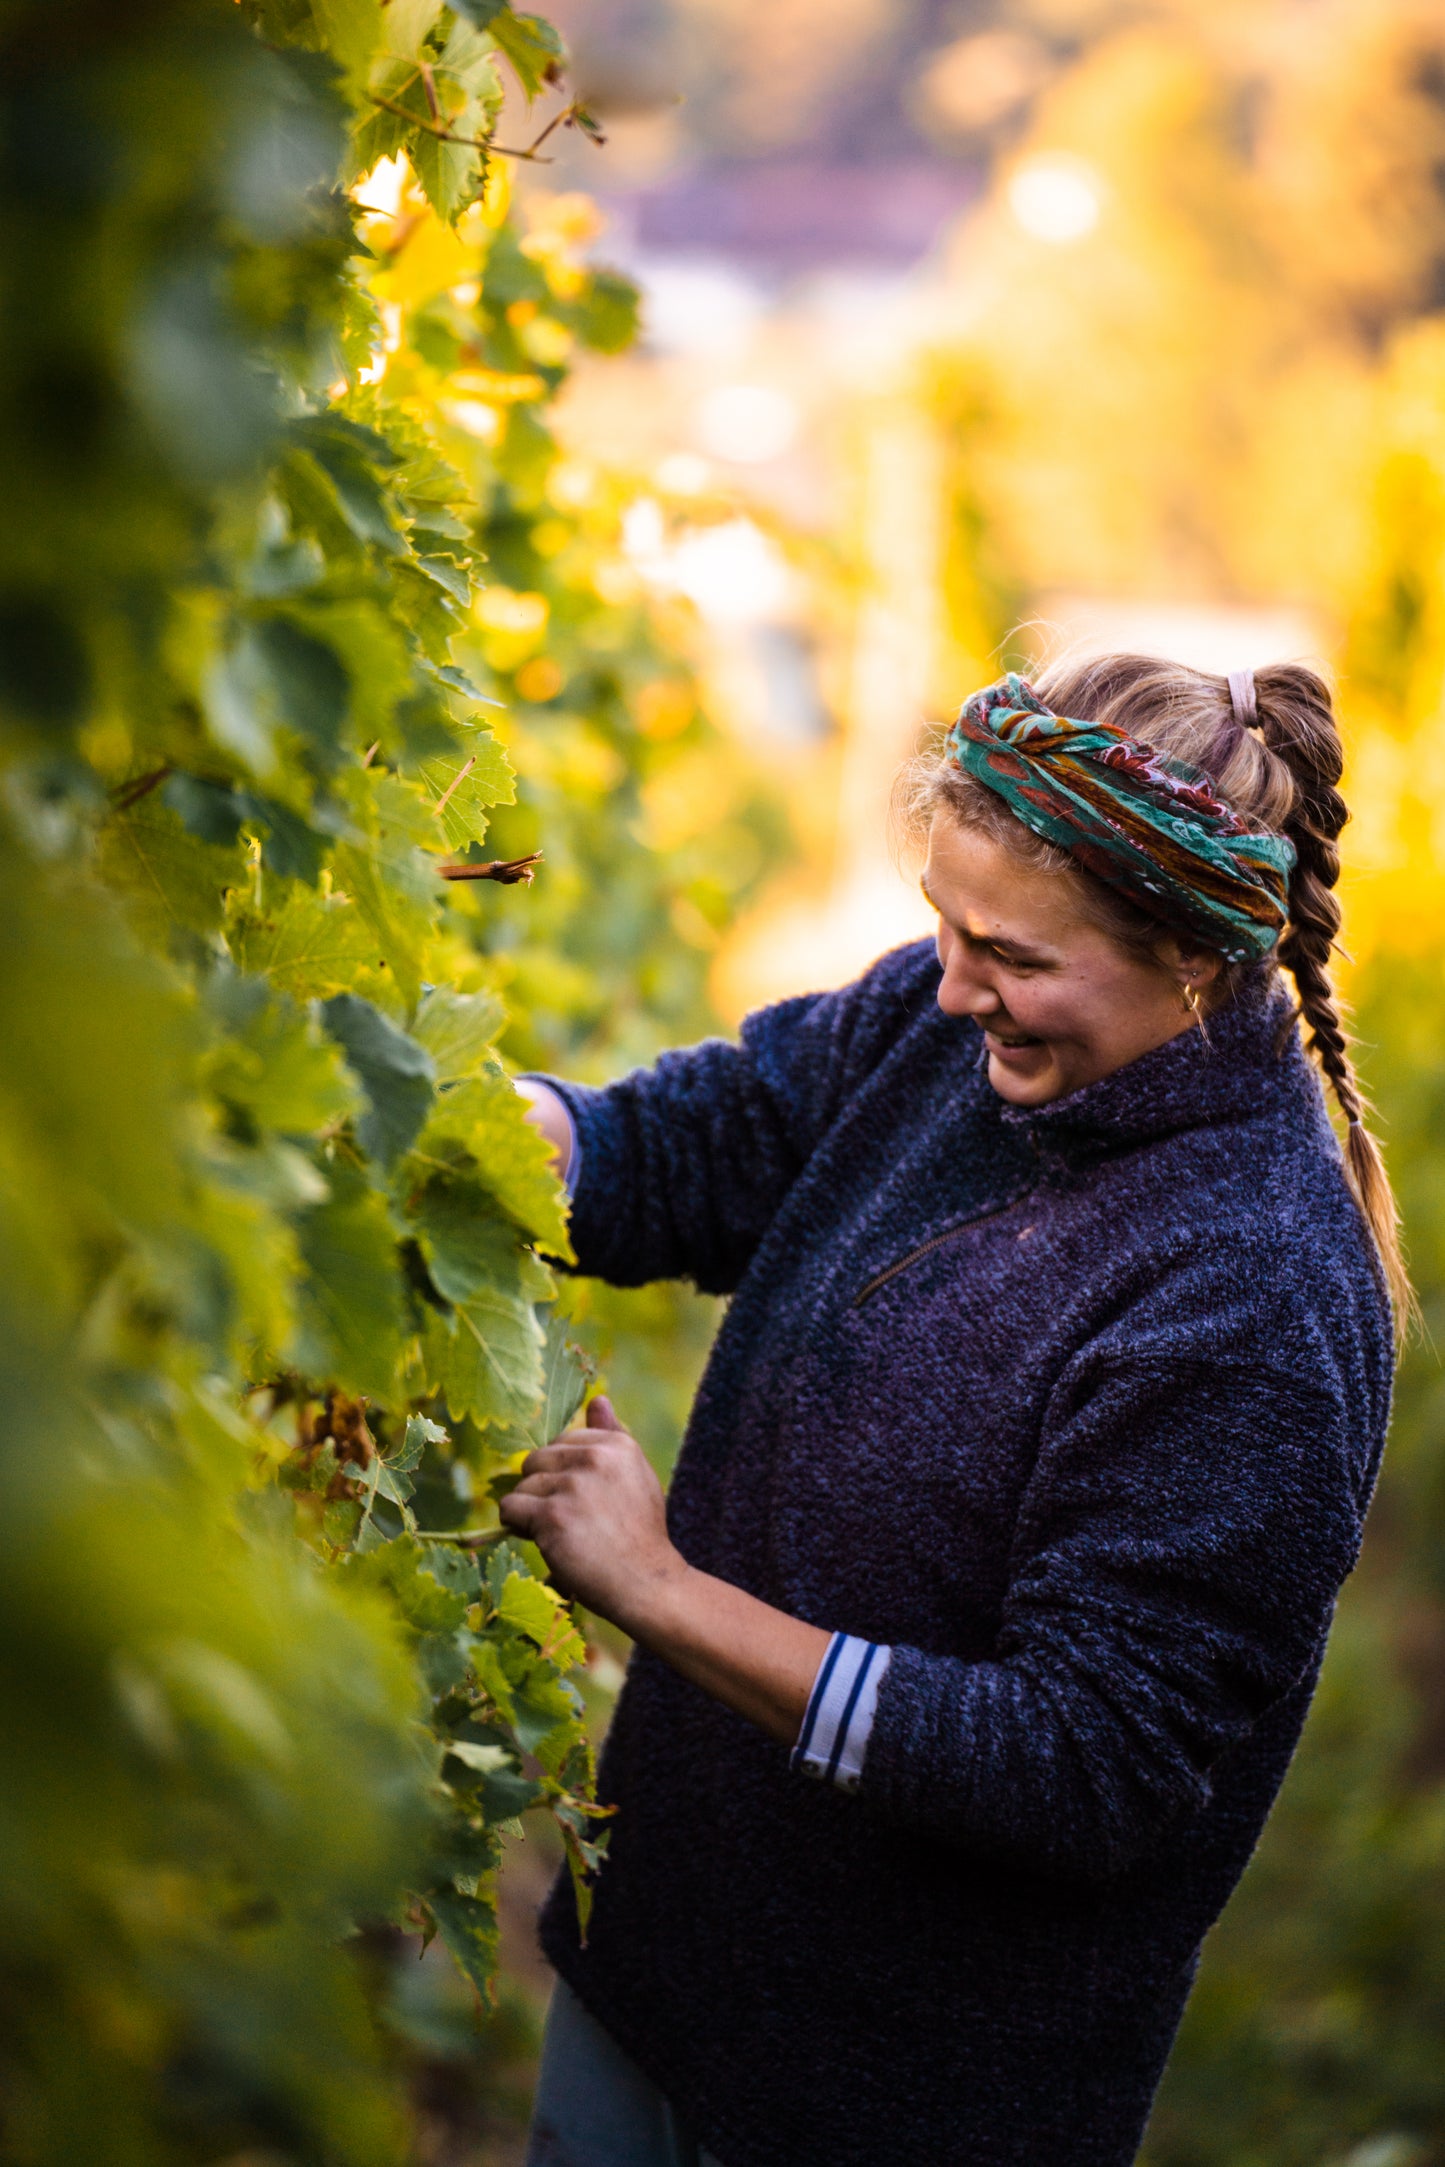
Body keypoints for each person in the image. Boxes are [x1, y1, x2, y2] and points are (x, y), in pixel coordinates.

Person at [505, 654, 1401, 2167]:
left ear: (1193, 959)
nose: (950, 983)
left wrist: (658, 1593)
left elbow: (1075, 1767)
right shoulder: (956, 1034)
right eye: (943, 921)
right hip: (651, 1975)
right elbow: (725, 1136)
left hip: (888, 2103)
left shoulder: (1250, 1291)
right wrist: (519, 1138)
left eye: (1008, 954)